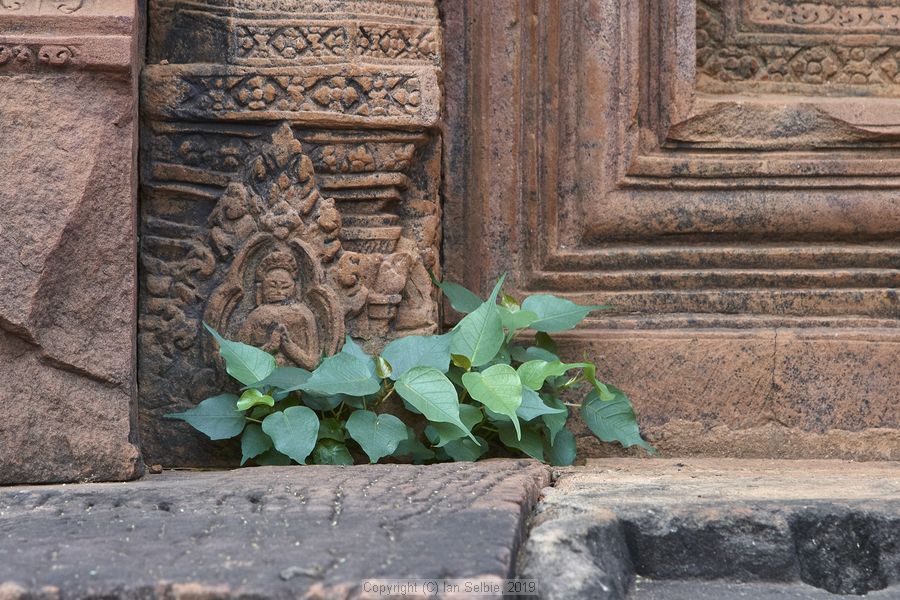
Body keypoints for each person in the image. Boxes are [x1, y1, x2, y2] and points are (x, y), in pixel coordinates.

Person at [239, 251, 320, 369]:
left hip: (295, 382)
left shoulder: (303, 315)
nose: (279, 292)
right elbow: (240, 359)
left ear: (295, 287)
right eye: (272, 286)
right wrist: (270, 347)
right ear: (261, 288)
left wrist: (289, 346)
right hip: (262, 383)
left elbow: (312, 363)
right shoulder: (256, 316)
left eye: (285, 287)